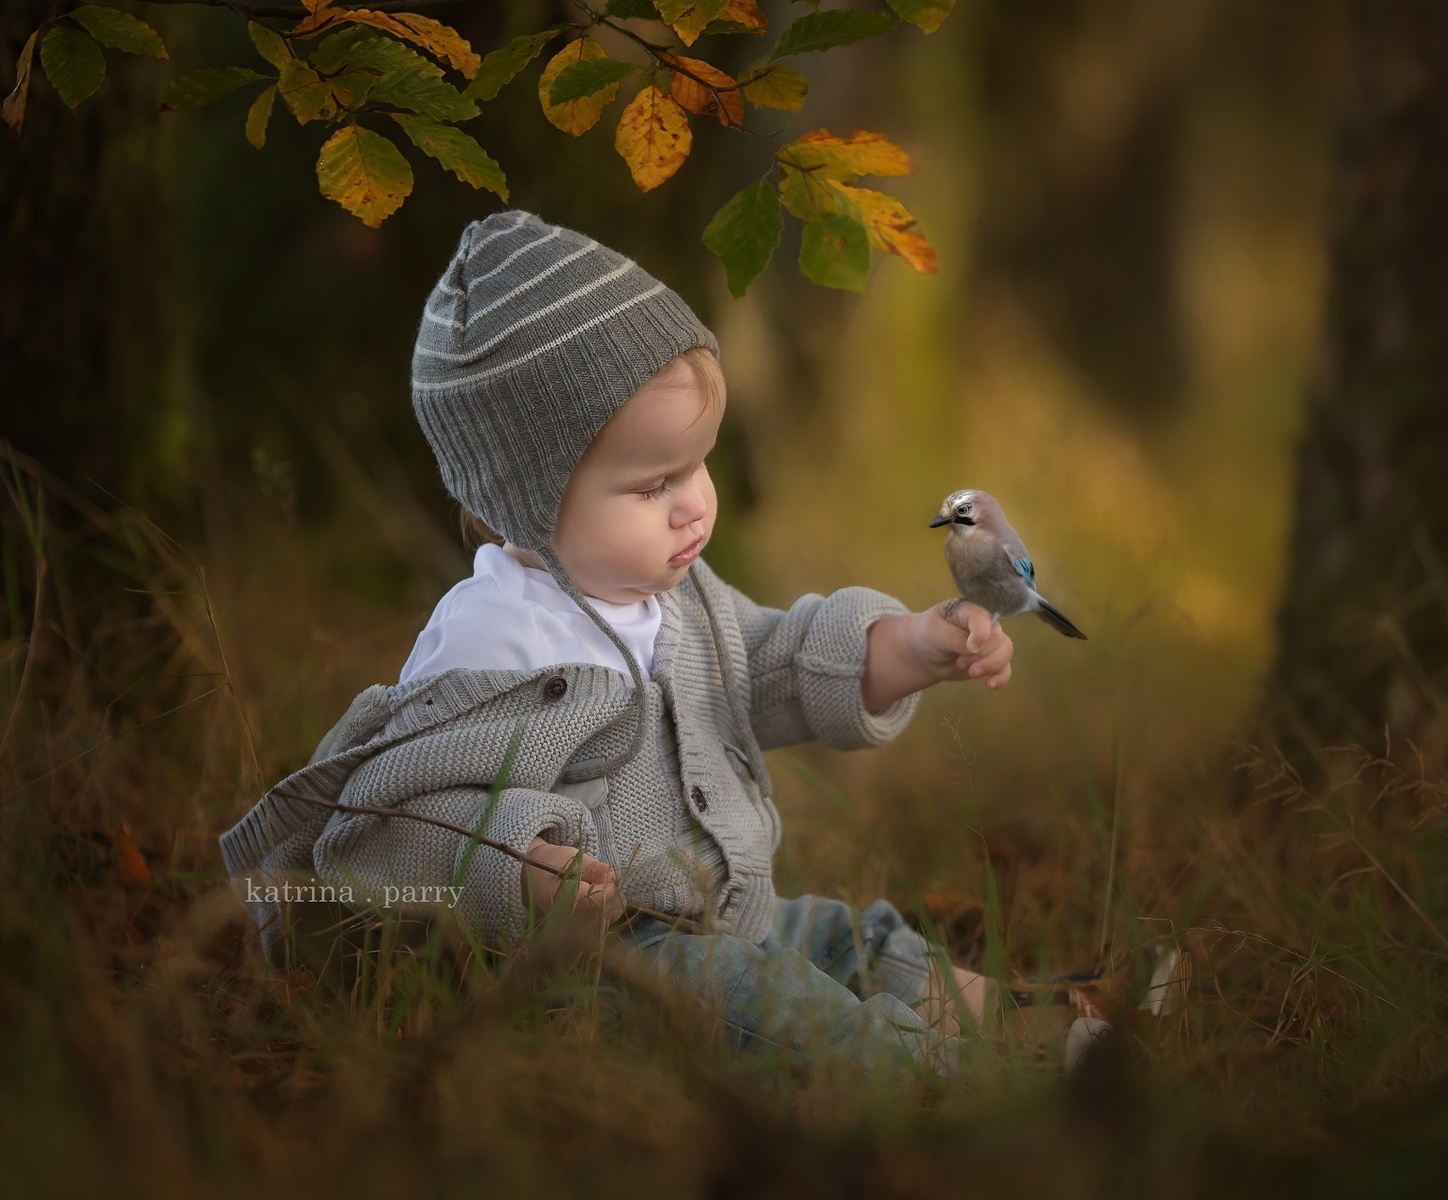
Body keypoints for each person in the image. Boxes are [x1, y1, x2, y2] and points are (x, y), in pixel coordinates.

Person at [219, 210, 1017, 1074]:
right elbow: (400, 817)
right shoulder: (502, 641)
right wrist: (525, 861)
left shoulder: (673, 593)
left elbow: (770, 664)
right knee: (771, 1010)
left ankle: (1015, 1026)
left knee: (847, 938)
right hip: (609, 968)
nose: (696, 504)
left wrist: (903, 647)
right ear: (530, 500)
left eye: (700, 463)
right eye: (653, 483)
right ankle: (943, 1080)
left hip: (730, 915)